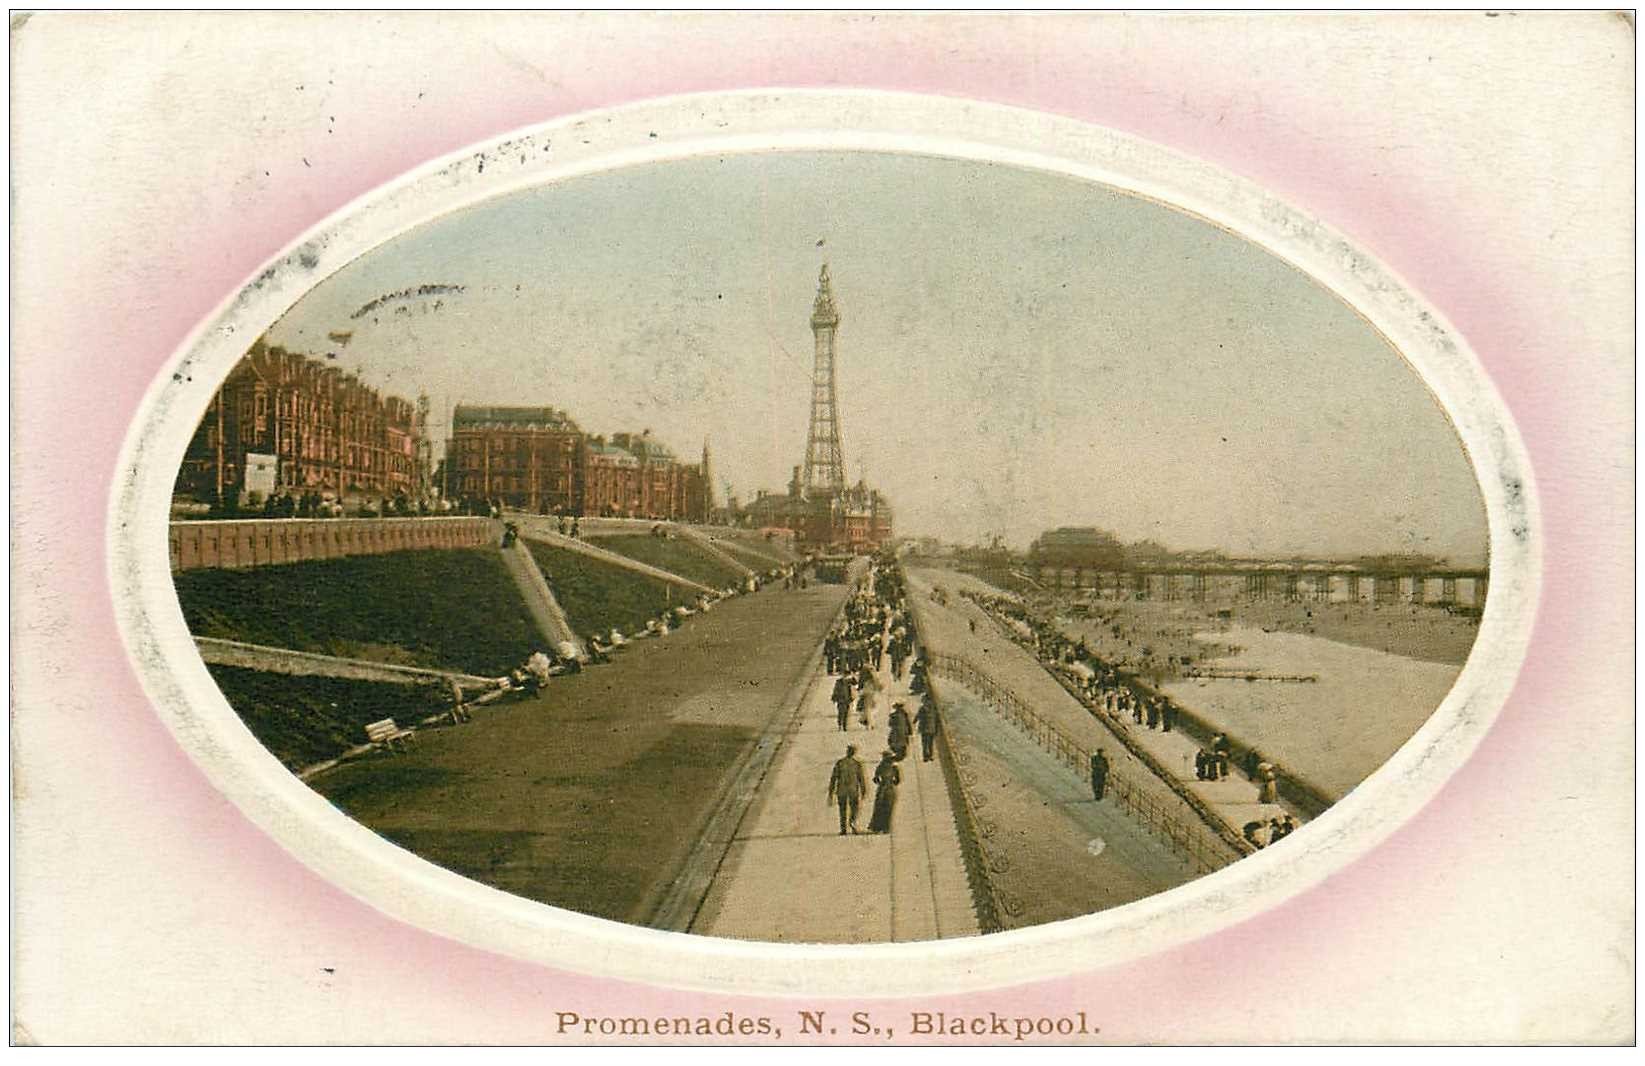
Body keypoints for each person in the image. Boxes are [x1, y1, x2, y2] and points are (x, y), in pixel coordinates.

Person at [827, 745, 867, 836]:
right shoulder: (857, 764)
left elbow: (834, 778)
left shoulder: (840, 763)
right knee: (853, 808)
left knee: (843, 810)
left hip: (842, 790)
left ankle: (844, 828)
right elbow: (861, 778)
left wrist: (831, 791)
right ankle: (851, 823)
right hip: (852, 790)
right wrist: (863, 790)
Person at [868, 750, 901, 834]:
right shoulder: (894, 768)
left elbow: (875, 779)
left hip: (882, 789)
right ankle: (886, 828)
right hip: (890, 789)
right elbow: (897, 781)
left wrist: (880, 782)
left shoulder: (880, 766)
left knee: (879, 808)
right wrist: (892, 782)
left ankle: (877, 827)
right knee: (888, 809)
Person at [914, 696, 940, 762]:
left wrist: (914, 721)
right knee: (930, 743)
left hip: (924, 728)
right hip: (932, 728)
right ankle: (930, 756)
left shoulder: (922, 708)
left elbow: (917, 716)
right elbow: (937, 719)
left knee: (925, 743)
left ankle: (925, 756)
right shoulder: (933, 709)